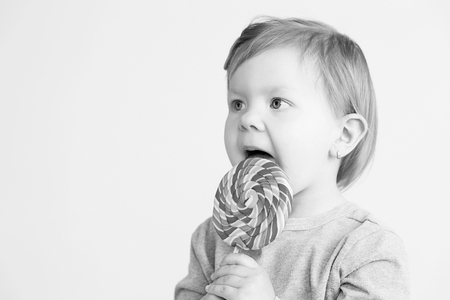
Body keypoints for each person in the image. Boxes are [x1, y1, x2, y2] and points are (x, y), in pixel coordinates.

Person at [175, 16, 410, 300]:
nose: (248, 118)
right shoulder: (215, 237)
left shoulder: (367, 248)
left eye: (277, 103)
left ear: (343, 135)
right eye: (238, 103)